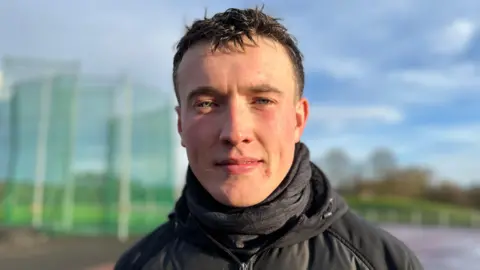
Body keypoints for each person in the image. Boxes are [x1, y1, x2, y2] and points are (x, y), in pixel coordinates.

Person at [114, 6, 423, 270]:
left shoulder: (383, 262)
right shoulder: (138, 264)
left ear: (298, 119)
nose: (235, 133)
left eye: (262, 100)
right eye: (206, 104)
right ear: (181, 124)